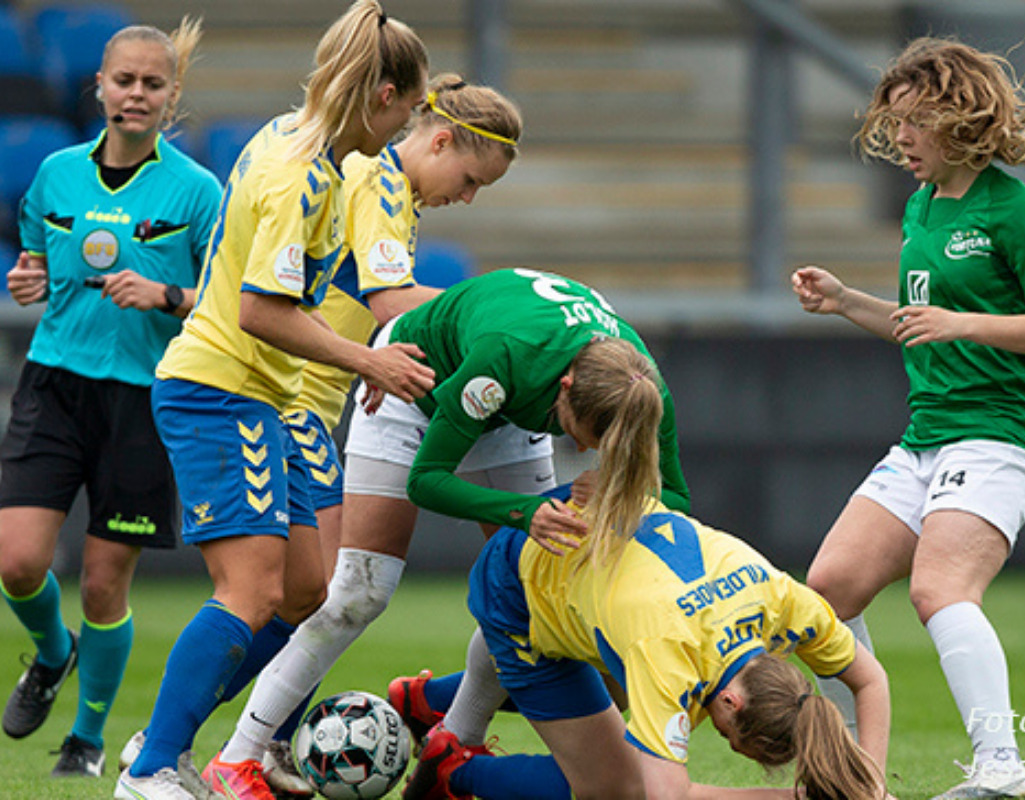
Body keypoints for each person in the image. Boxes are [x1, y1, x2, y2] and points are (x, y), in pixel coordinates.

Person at [114, 3, 435, 799]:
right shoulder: (300, 172)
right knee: (251, 591)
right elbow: (259, 310)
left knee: (304, 590)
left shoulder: (301, 140)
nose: (398, 136)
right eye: (404, 113)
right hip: (219, 389)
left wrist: (348, 359)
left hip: (270, 397)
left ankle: (164, 740)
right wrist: (369, 358)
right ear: (384, 94)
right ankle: (153, 766)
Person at [213, 267, 691, 795]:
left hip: (510, 407)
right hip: (417, 383)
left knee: (536, 587)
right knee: (359, 592)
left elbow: (675, 501)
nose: (582, 450)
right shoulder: (501, 359)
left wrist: (611, 504)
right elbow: (427, 480)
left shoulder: (642, 389)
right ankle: (239, 757)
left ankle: (454, 740)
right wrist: (525, 512)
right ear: (566, 388)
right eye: (579, 432)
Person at [793, 37, 1025, 800]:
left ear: (959, 117)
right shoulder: (920, 208)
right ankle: (849, 776)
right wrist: (846, 301)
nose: (901, 141)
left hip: (1000, 435)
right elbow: (922, 322)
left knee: (940, 590)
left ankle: (1002, 767)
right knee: (826, 593)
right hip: (928, 436)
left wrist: (964, 324)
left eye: (913, 123)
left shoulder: (1017, 210)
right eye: (893, 126)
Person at [246, 74, 528, 798]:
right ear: (437, 139)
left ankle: (254, 745)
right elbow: (391, 301)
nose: (466, 197)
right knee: (287, 595)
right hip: (291, 402)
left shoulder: (391, 191)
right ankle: (181, 745)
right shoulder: (376, 180)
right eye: (469, 180)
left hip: (320, 400)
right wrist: (511, 302)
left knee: (318, 596)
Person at [0, 17, 220, 779]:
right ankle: (53, 655)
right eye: (123, 79)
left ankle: (86, 739)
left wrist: (165, 293)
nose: (135, 94)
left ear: (171, 96)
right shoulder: (57, 173)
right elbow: (34, 254)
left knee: (101, 581)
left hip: (143, 399)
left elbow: (225, 302)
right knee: (19, 564)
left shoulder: (197, 191)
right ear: (98, 84)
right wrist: (26, 276)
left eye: (151, 84)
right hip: (55, 384)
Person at [400, 481, 891, 800]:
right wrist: (798, 798)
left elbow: (870, 679)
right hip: (520, 582)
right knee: (612, 785)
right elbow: (660, 795)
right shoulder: (667, 657)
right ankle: (452, 768)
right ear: (730, 700)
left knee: (612, 702)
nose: (717, 736)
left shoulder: (784, 601)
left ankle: (423, 700)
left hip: (591, 518)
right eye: (728, 734)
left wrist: (868, 785)